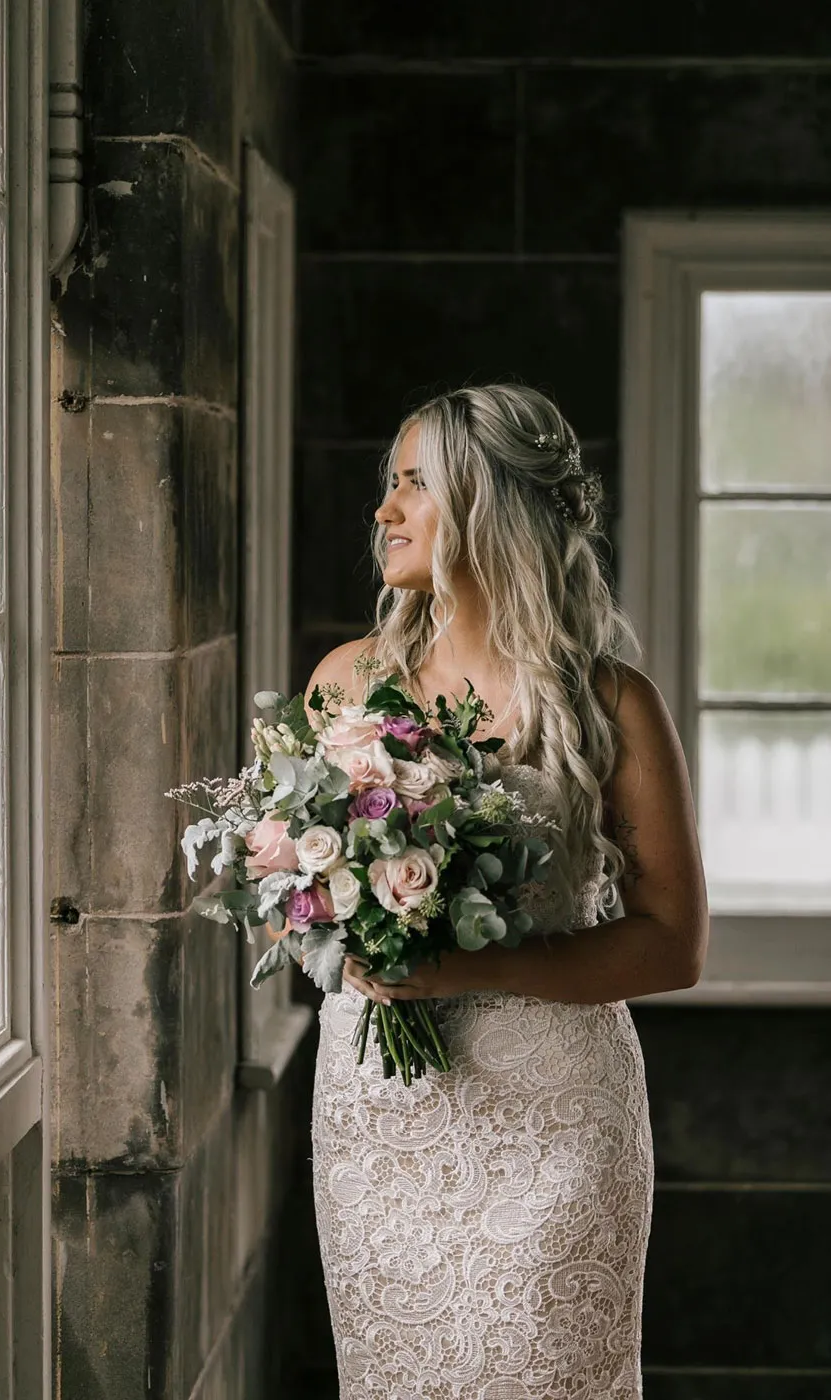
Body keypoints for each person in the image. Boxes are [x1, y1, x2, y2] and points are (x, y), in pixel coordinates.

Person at [302, 383, 708, 1399]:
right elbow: (307, 882)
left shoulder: (612, 703)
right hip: (382, 1114)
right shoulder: (345, 685)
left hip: (555, 1115)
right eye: (386, 485)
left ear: (488, 505)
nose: (384, 510)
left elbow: (672, 942)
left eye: (413, 484)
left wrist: (466, 963)